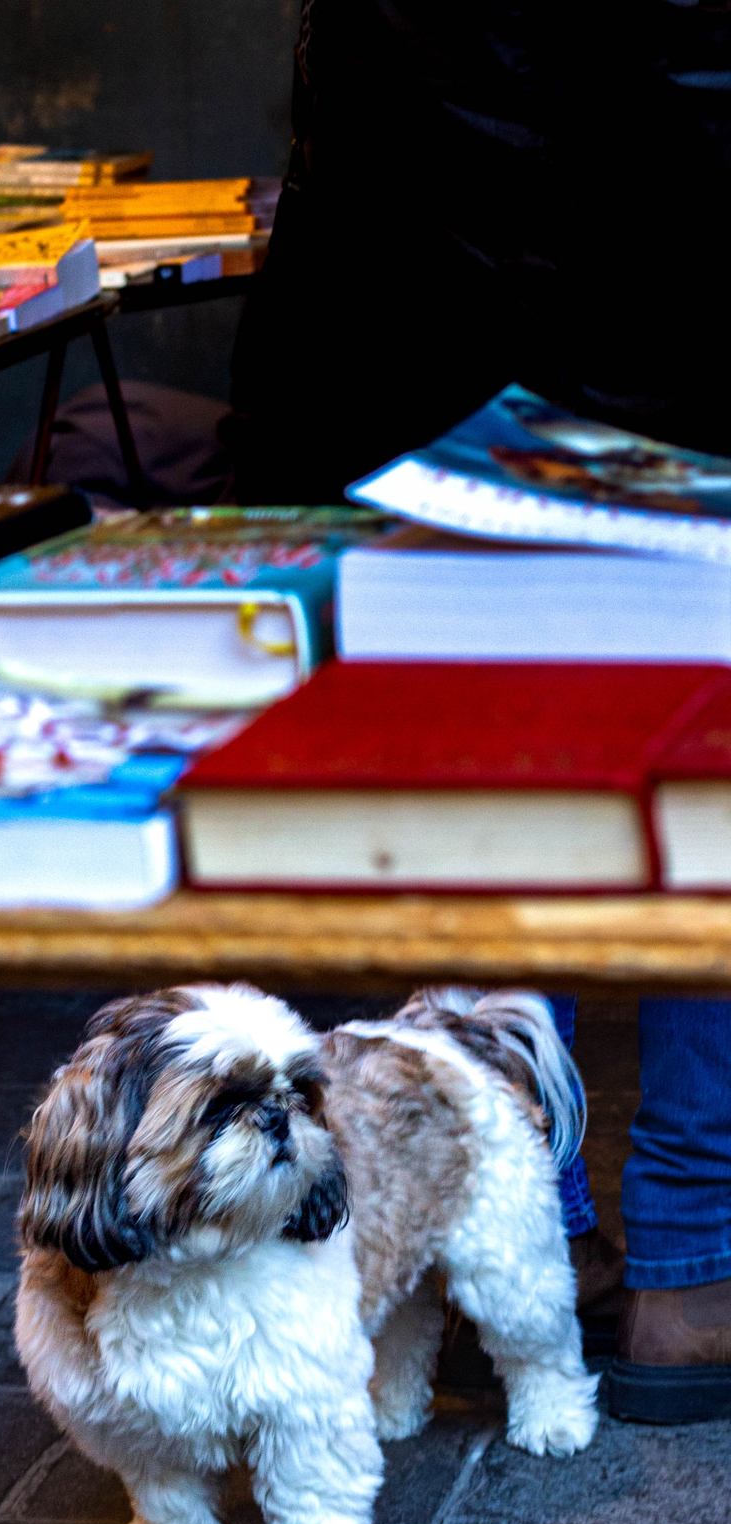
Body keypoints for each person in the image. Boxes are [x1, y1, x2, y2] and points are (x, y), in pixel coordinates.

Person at [232, 0, 731, 1423]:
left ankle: (525, 1219)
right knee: (704, 776)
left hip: (433, 343)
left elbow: (357, 104)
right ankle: (693, 1271)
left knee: (509, 777)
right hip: (687, 343)